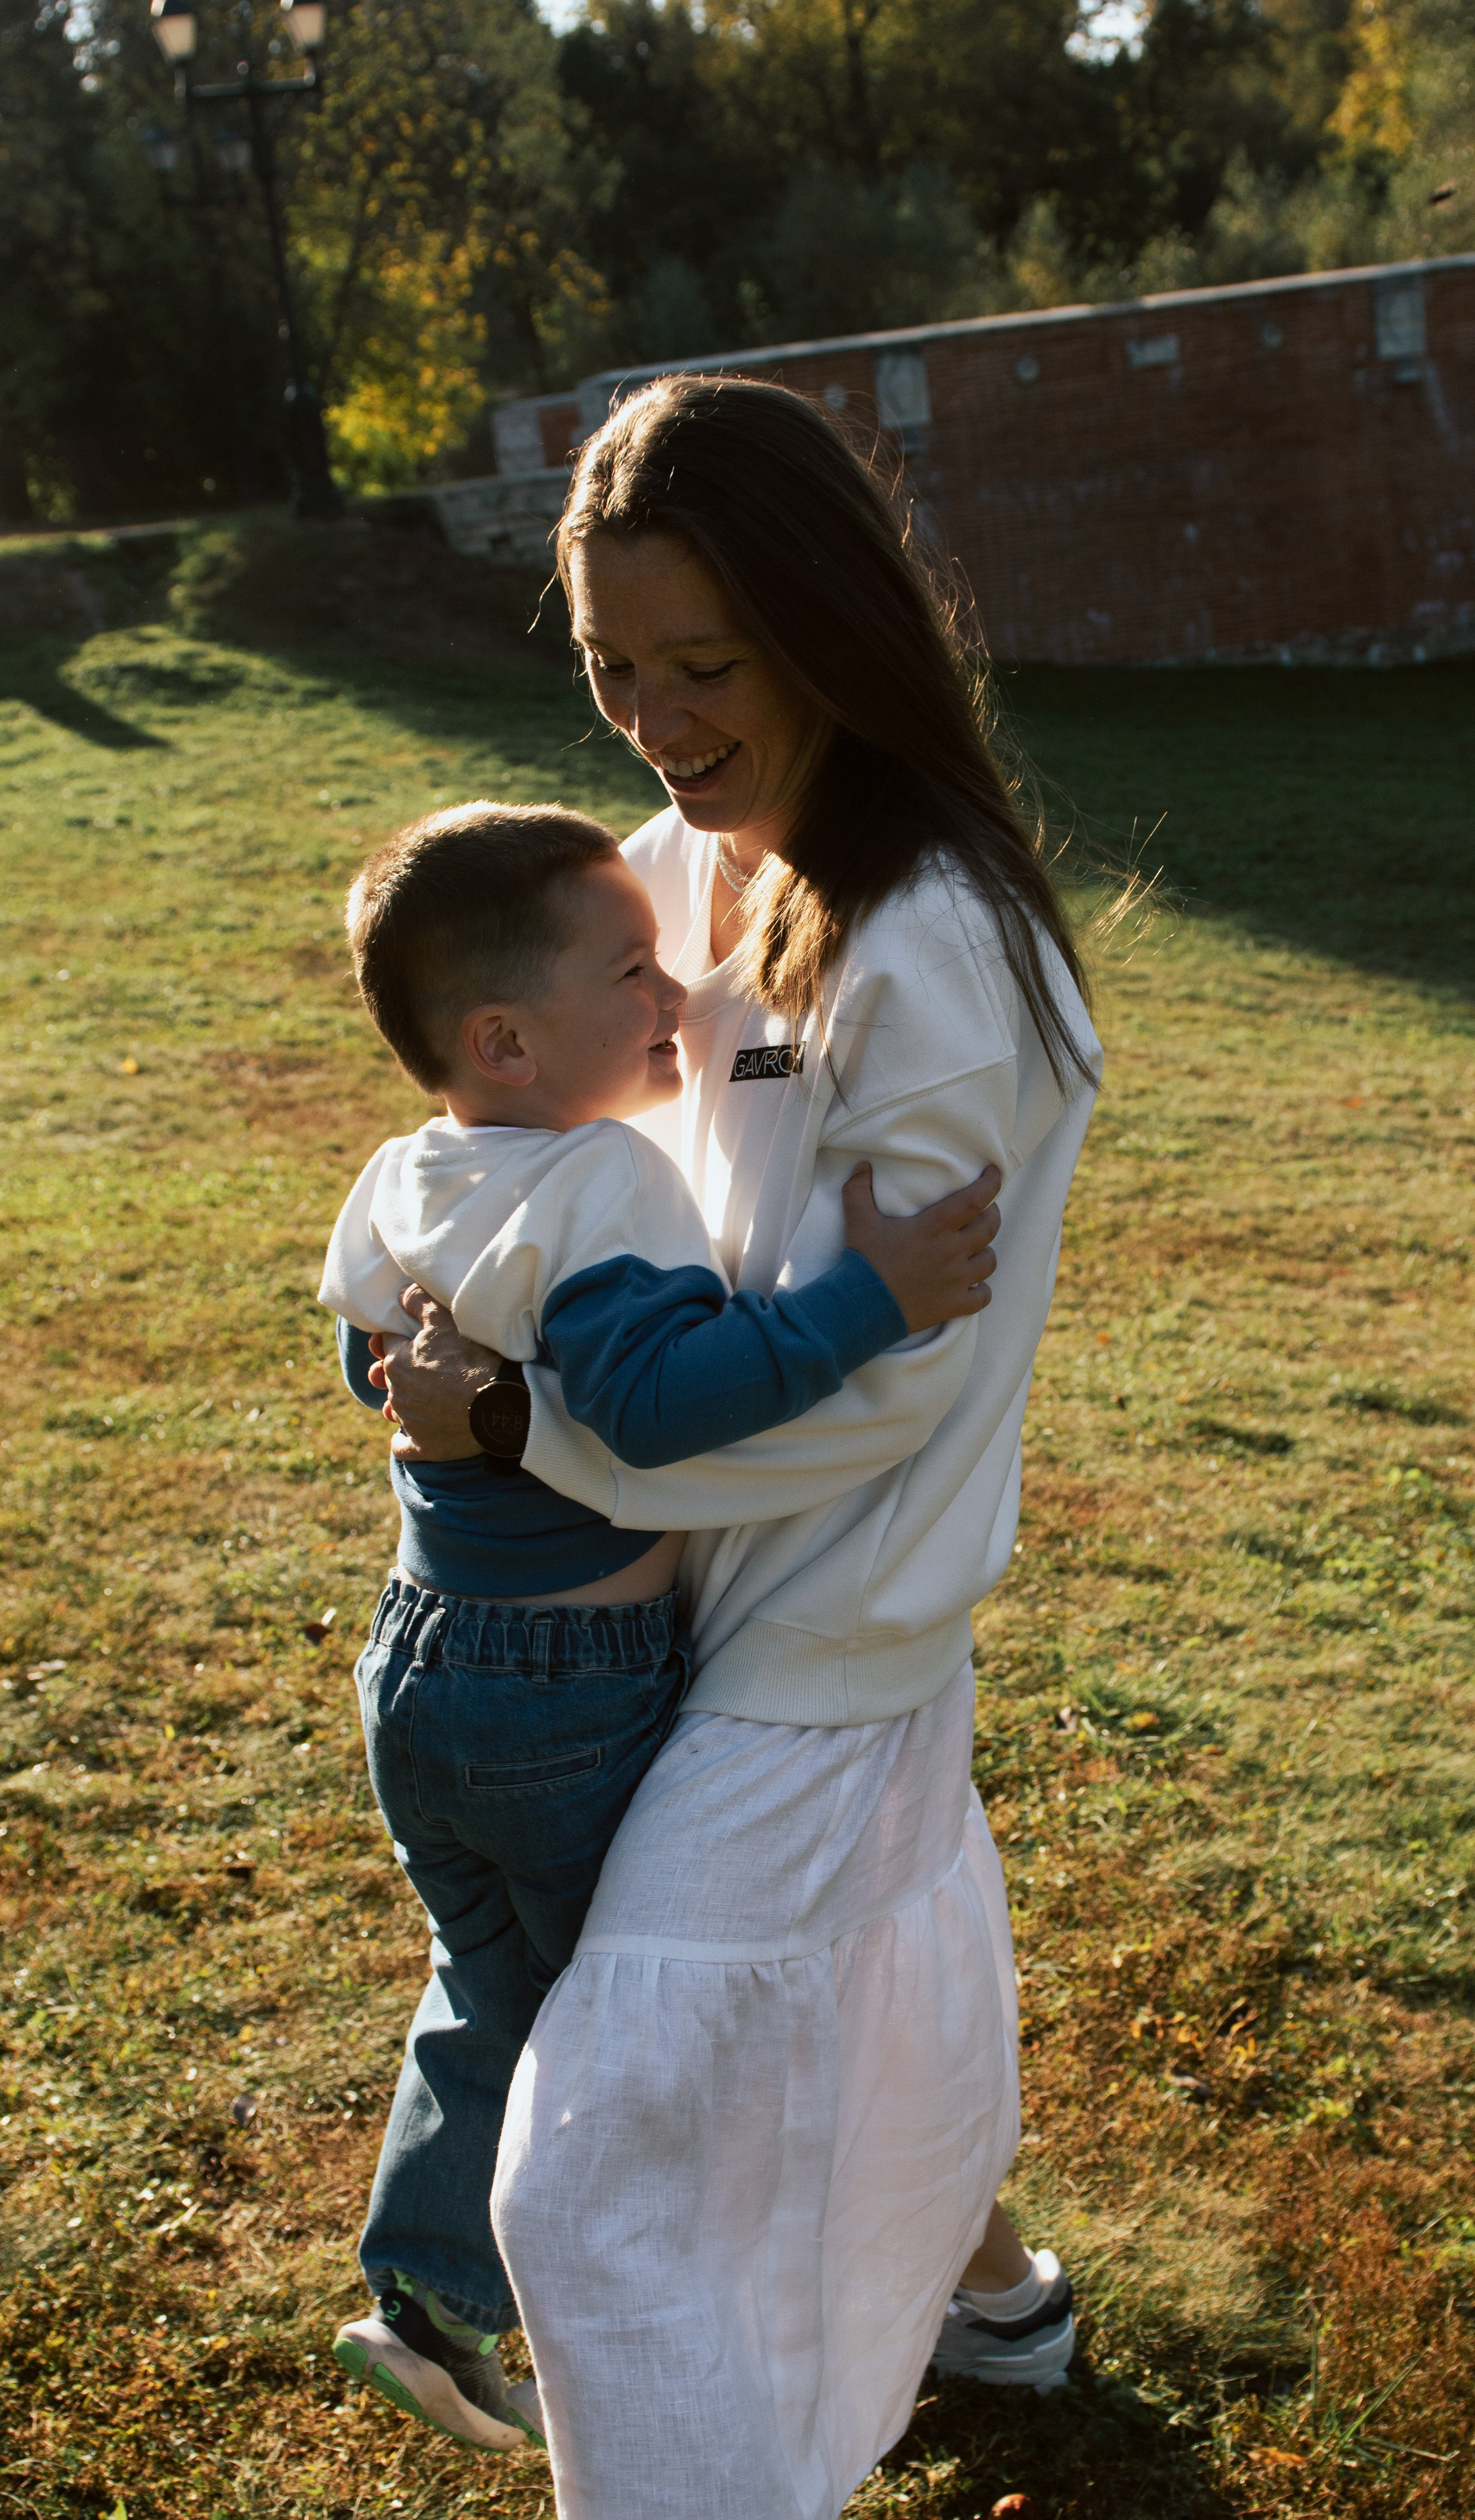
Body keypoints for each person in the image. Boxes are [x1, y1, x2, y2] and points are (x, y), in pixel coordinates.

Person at [375, 373, 1103, 2520]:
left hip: (811, 1648)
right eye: (615, 669)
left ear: (827, 628)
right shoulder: (683, 872)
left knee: (594, 2198)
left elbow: (884, 1385)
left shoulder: (940, 949)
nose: (658, 719)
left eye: (706, 665)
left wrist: (514, 1419)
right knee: (877, 1988)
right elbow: (562, 1135)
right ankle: (996, 2297)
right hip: (664, 1612)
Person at [320, 799, 1003, 2451]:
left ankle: (418, 2295)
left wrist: (472, 1394)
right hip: (566, 1678)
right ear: (504, 1036)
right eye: (633, 975)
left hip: (416, 1661)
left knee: (485, 1979)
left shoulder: (409, 1171)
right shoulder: (601, 1182)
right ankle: (629, 2327)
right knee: (609, 2030)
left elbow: (366, 1362)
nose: (679, 1003)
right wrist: (874, 1300)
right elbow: (660, 1403)